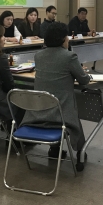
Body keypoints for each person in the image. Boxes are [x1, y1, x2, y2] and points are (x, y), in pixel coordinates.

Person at [22, 22, 90, 162]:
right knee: (70, 106)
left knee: (54, 97)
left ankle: (54, 149)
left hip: (38, 113)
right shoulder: (69, 56)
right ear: (63, 39)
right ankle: (81, 153)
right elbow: (84, 80)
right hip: (61, 115)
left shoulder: (38, 56)